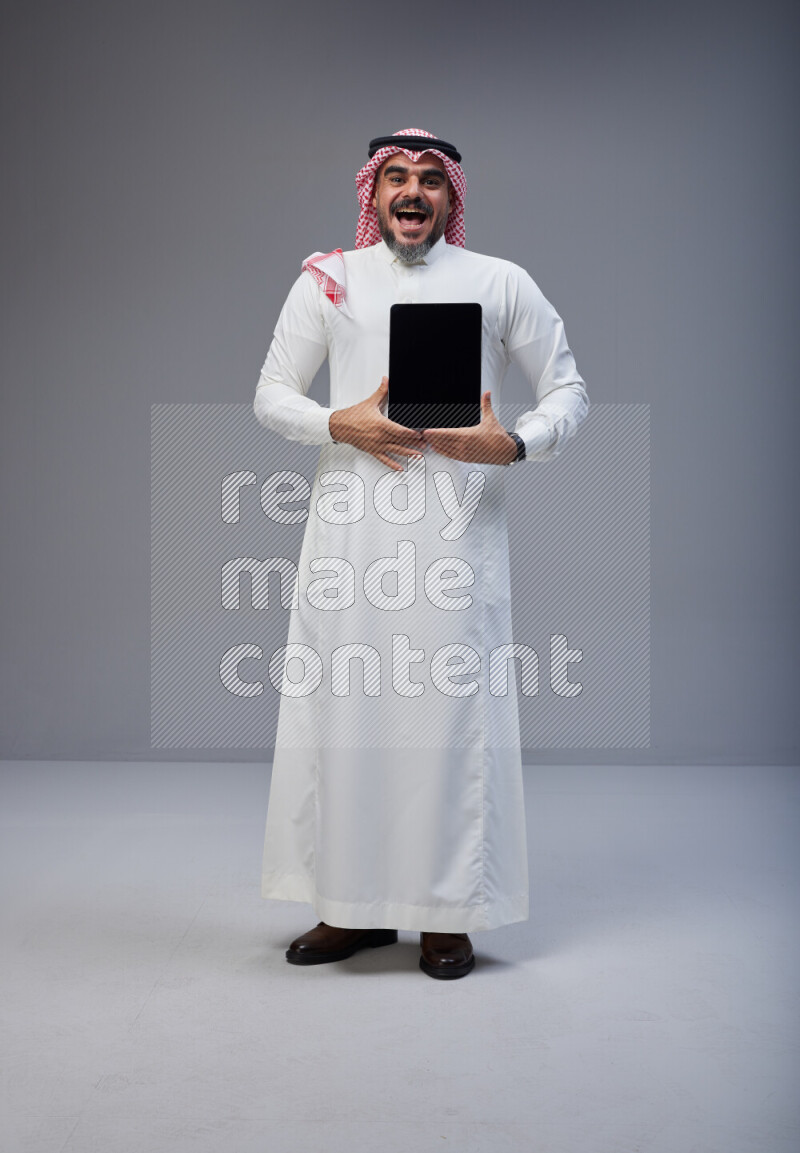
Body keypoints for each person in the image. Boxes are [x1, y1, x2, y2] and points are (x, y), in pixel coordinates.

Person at [253, 128, 589, 979]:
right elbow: (270, 395)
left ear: (451, 196)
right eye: (395, 177)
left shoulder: (499, 282)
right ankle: (350, 908)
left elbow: (570, 391)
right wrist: (340, 422)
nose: (411, 192)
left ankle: (445, 915)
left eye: (429, 180)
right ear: (372, 193)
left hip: (454, 537)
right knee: (348, 719)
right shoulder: (329, 279)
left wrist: (511, 444)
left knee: (446, 726)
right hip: (350, 537)